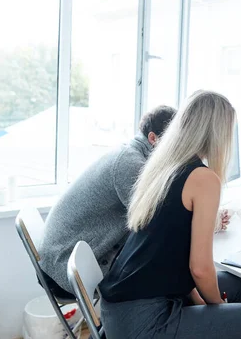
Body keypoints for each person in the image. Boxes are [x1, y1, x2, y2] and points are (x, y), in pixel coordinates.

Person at [99, 90, 241, 339]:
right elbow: (199, 268)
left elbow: (168, 256)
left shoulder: (164, 167)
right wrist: (218, 308)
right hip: (143, 324)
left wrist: (204, 303)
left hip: (118, 312)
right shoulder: (203, 179)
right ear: (217, 133)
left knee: (234, 285)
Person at [39, 105, 177, 298]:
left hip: (60, 259)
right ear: (154, 139)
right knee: (168, 274)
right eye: (176, 141)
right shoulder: (130, 165)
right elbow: (156, 223)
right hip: (65, 271)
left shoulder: (128, 153)